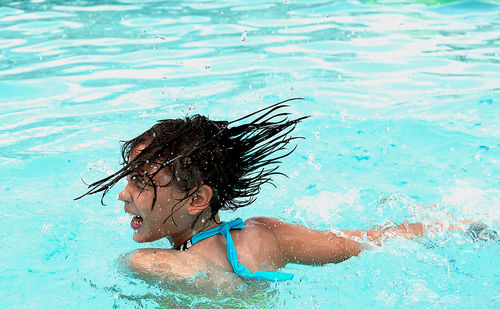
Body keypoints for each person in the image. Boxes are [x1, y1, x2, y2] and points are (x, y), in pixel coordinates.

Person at [76, 98, 483, 286]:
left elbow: (223, 290)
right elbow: (371, 241)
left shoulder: (146, 262)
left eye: (142, 183)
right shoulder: (265, 235)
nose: (123, 195)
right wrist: (463, 226)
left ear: (198, 199)